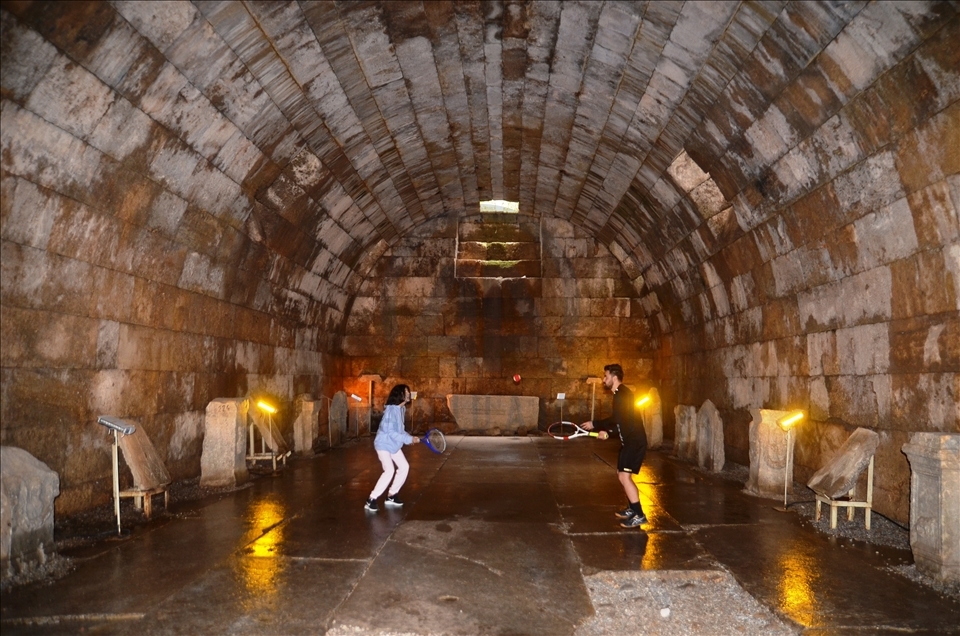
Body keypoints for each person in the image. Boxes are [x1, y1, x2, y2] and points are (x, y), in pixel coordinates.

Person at [581, 364, 648, 528]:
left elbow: (618, 420)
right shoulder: (621, 394)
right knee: (621, 475)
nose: (604, 380)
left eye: (606, 376)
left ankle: (639, 514)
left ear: (614, 377)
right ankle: (632, 509)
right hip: (630, 440)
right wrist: (610, 433)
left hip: (634, 442)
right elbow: (622, 421)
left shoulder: (622, 395)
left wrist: (595, 424)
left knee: (625, 477)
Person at [365, 384, 419, 512]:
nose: (408, 394)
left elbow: (400, 431)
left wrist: (410, 438)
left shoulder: (401, 409)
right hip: (383, 444)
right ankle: (371, 499)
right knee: (389, 470)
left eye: (408, 391)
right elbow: (391, 432)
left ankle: (391, 495)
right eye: (405, 392)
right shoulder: (391, 411)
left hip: (393, 444)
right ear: (399, 394)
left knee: (404, 467)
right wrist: (408, 439)